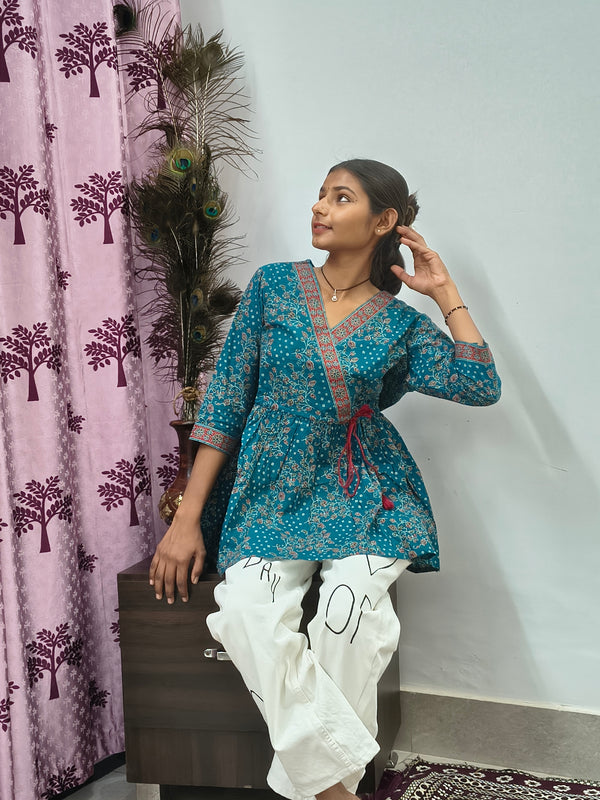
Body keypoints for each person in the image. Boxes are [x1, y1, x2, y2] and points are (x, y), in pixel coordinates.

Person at [149, 159, 501, 800]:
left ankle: (320, 788)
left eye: (341, 198)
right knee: (247, 614)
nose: (320, 207)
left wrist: (444, 292)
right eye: (320, 195)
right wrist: (187, 517)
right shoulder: (274, 287)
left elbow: (480, 385)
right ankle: (338, 792)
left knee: (347, 619)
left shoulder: (397, 322)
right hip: (268, 492)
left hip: (364, 495)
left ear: (384, 221)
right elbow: (226, 401)